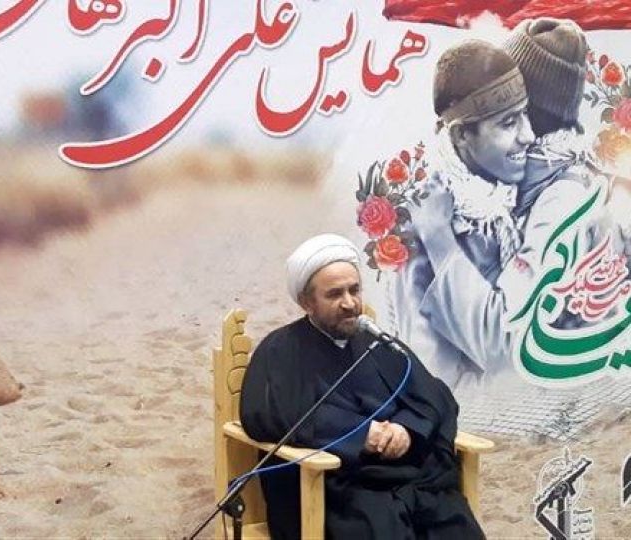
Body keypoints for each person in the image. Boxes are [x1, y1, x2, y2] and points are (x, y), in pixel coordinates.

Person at [409, 19, 623, 380]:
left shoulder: (561, 203)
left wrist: (440, 241)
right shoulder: (501, 197)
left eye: (515, 115)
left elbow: (503, 345)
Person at [240, 234, 484, 540]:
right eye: (334, 294)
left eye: (354, 290)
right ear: (307, 302)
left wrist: (407, 429)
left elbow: (433, 397)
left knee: (452, 522)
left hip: (406, 478)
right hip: (335, 486)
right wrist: (360, 434)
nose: (349, 303)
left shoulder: (376, 342)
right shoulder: (280, 350)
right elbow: (266, 415)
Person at [392, 39, 536, 388]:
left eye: (525, 115)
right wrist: (441, 242)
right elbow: (439, 377)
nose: (528, 136)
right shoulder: (431, 226)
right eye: (509, 123)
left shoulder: (503, 200)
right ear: (460, 135)